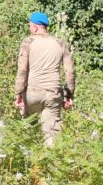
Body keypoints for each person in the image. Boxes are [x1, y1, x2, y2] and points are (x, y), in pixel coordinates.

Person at [14, 11, 75, 147]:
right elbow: (70, 71)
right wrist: (69, 94)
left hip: (32, 93)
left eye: (30, 26)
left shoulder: (28, 42)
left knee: (30, 128)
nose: (30, 28)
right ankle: (50, 157)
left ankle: (31, 155)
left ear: (35, 27)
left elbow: (22, 70)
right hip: (53, 94)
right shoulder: (60, 43)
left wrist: (18, 94)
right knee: (51, 132)